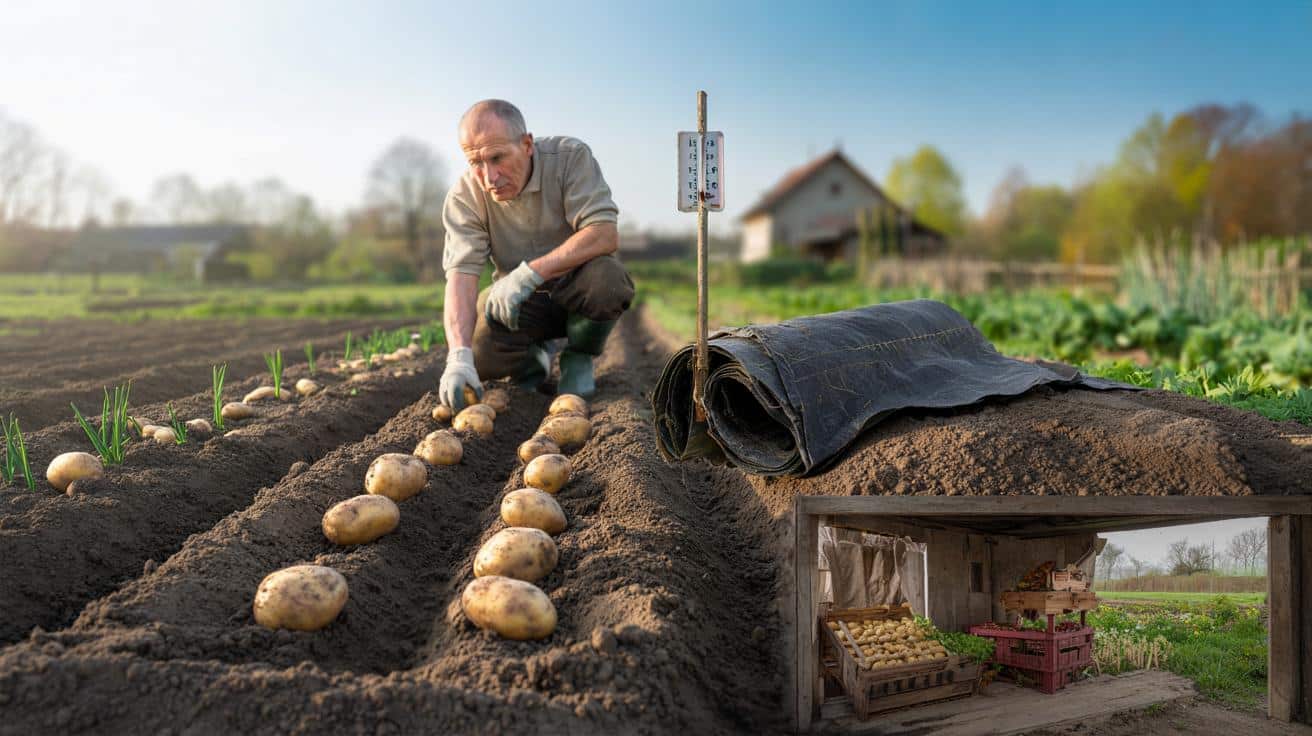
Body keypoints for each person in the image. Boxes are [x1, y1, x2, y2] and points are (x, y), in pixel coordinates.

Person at [438, 99, 634, 410]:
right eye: (476, 163)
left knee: (608, 280)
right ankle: (532, 360)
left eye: (497, 157)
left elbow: (604, 233)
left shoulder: (570, 158)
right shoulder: (465, 196)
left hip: (578, 289)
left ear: (527, 145)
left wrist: (530, 273)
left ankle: (579, 356)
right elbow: (461, 275)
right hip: (518, 304)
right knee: (479, 354)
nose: (489, 177)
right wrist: (458, 356)